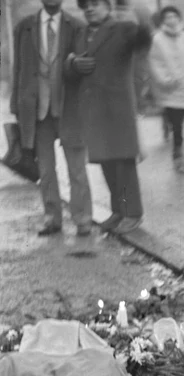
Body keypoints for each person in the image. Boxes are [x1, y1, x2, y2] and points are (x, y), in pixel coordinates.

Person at [67, 0, 152, 235]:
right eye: (85, 6)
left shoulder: (123, 28)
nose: (90, 9)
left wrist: (142, 19)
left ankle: (133, 213)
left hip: (117, 108)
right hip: (93, 109)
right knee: (106, 162)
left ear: (107, 6)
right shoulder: (82, 32)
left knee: (123, 163)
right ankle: (118, 210)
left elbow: (143, 41)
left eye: (95, 4)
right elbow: (69, 62)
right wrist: (73, 64)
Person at [10, 0, 93, 237]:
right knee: (45, 170)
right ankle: (52, 218)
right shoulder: (24, 27)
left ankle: (83, 219)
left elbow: (82, 66)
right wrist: (16, 105)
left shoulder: (77, 26)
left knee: (76, 168)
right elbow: (19, 69)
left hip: (69, 108)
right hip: (38, 111)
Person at [149, 6, 184, 174]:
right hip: (169, 90)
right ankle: (178, 155)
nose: (171, 20)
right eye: (167, 17)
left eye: (174, 16)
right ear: (163, 20)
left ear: (179, 19)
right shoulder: (157, 39)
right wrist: (165, 79)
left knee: (180, 123)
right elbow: (154, 62)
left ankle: (175, 144)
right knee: (178, 124)